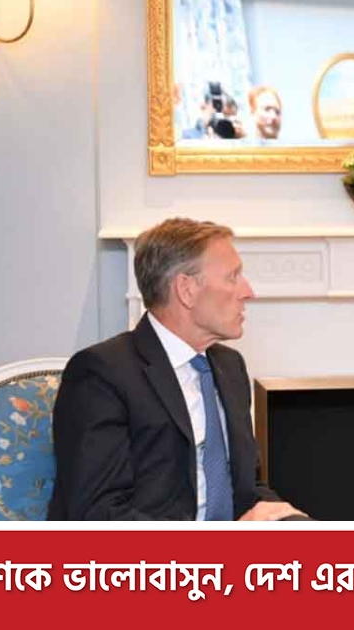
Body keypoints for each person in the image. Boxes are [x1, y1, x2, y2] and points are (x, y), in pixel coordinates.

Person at [49, 218, 307, 521]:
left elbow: (245, 489)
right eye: (233, 277)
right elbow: (98, 514)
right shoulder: (101, 374)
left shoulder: (229, 367)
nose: (248, 291)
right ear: (186, 290)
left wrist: (289, 521)